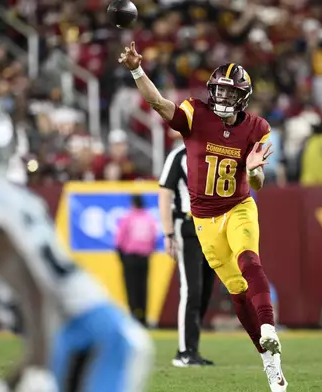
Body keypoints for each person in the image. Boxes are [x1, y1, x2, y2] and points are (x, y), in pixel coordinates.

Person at [0, 101, 153, 392]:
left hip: (88, 340)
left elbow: (33, 287)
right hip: (98, 332)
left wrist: (36, 366)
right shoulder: (15, 198)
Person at [120, 42, 287, 391]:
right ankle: (269, 361)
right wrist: (137, 69)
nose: (224, 97)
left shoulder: (257, 127)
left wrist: (254, 171)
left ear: (243, 96)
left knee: (249, 259)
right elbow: (157, 103)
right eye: (220, 90)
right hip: (203, 219)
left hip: (239, 206)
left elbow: (258, 180)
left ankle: (269, 327)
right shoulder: (196, 114)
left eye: (230, 91)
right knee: (238, 292)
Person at [158, 142, 216, 367]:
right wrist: (168, 233)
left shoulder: (214, 151)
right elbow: (164, 193)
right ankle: (184, 352)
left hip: (210, 227)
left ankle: (192, 348)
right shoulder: (178, 155)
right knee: (192, 289)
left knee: (204, 291)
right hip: (187, 226)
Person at [114, 194, 157, 326]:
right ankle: (143, 316)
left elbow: (119, 239)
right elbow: (153, 238)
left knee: (131, 287)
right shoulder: (149, 219)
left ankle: (133, 316)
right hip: (144, 257)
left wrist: (121, 256)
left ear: (133, 203)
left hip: (130, 257)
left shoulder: (128, 218)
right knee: (143, 287)